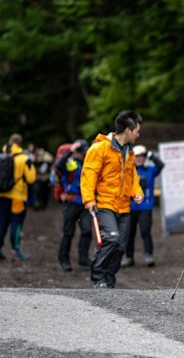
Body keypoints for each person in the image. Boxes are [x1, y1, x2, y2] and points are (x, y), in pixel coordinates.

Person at [81, 110, 144, 288]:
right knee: (112, 239)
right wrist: (89, 200)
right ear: (128, 130)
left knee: (121, 246)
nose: (138, 134)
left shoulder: (129, 152)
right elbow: (88, 175)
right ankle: (98, 276)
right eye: (137, 130)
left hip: (124, 206)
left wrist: (137, 191)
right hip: (104, 203)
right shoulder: (100, 148)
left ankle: (109, 278)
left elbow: (133, 177)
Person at [121, 144, 164, 268]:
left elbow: (160, 166)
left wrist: (151, 156)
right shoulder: (129, 170)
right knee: (129, 233)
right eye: (137, 157)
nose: (139, 159)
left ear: (144, 158)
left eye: (141, 156)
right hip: (130, 207)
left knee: (145, 231)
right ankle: (129, 257)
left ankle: (148, 255)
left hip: (145, 207)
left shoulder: (150, 170)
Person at [55, 139, 92, 272]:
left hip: (85, 203)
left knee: (87, 231)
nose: (84, 154)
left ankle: (83, 259)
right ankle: (64, 260)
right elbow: (58, 167)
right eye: (82, 152)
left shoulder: (88, 163)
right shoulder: (69, 162)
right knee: (68, 233)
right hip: (71, 202)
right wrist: (69, 151)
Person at [0, 134, 36, 261]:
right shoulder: (24, 159)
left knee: (2, 222)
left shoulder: (2, 156)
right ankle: (16, 251)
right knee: (16, 223)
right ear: (20, 144)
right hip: (18, 196)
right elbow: (31, 179)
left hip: (2, 195)